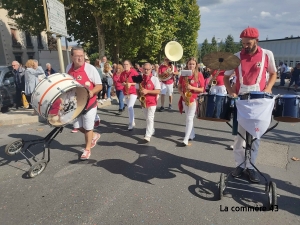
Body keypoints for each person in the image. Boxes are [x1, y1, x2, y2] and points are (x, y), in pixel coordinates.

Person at [223, 27, 277, 182]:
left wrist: (267, 89)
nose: (245, 46)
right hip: (241, 100)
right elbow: (226, 78)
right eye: (243, 43)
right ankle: (240, 165)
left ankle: (251, 167)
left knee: (255, 136)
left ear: (256, 41)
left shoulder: (267, 54)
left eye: (248, 43)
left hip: (260, 99)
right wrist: (232, 91)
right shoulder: (236, 56)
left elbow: (273, 74)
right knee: (239, 136)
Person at [66, 47, 102, 160]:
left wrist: (91, 91)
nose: (80, 58)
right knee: (77, 126)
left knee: (87, 127)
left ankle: (87, 150)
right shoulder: (68, 68)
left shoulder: (90, 69)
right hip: (76, 103)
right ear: (72, 57)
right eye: (77, 56)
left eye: (82, 55)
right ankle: (94, 135)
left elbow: (99, 85)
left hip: (89, 103)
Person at [178, 57, 204, 146]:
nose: (191, 65)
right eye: (190, 64)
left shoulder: (199, 74)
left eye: (193, 64)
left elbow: (202, 89)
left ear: (196, 65)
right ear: (187, 64)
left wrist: (192, 88)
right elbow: (179, 87)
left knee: (189, 118)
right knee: (188, 118)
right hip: (185, 98)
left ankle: (186, 138)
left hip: (194, 99)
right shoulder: (183, 74)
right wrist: (183, 95)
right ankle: (192, 134)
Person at [136, 63, 161, 142]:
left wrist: (147, 91)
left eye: (148, 69)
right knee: (147, 118)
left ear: (151, 70)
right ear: (142, 69)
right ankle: (152, 129)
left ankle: (148, 135)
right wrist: (139, 96)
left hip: (152, 101)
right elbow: (137, 89)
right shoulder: (139, 78)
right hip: (144, 101)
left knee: (150, 117)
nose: (146, 71)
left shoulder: (154, 79)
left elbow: (158, 90)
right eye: (145, 69)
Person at [119, 60, 138, 130]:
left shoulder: (133, 72)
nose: (125, 66)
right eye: (124, 64)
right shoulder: (123, 73)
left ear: (130, 65)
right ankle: (132, 121)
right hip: (126, 92)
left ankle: (130, 123)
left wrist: (130, 84)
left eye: (127, 64)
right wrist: (123, 84)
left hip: (133, 92)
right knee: (130, 108)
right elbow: (121, 82)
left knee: (130, 107)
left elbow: (139, 82)